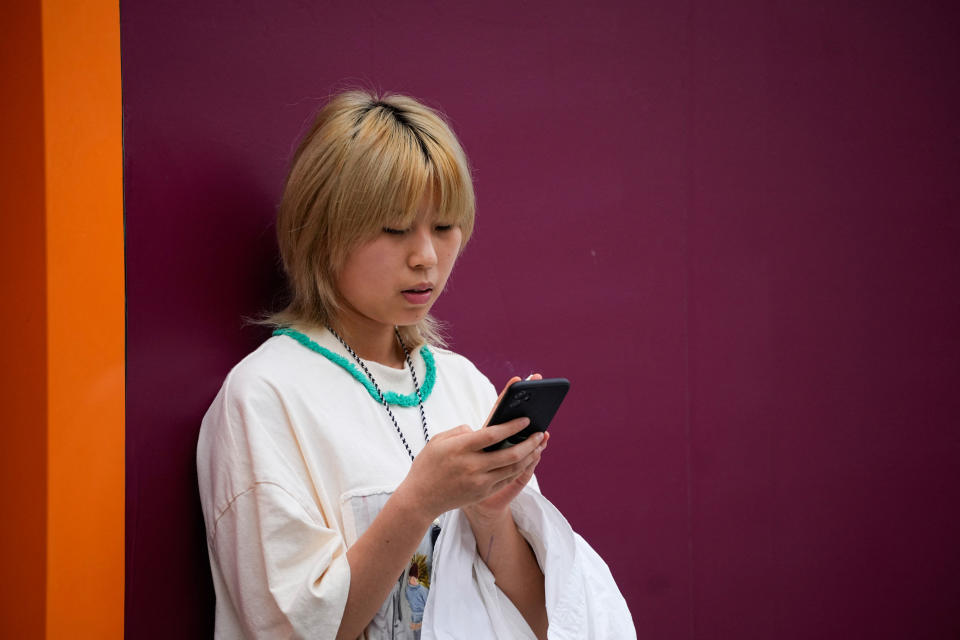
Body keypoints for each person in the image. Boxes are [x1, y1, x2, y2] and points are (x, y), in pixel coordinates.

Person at [197, 90, 633, 639]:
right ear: (322, 230)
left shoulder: (461, 383)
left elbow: (543, 622)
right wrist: (420, 501)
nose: (426, 255)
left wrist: (491, 514)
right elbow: (288, 628)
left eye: (445, 226)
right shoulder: (265, 395)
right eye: (396, 229)